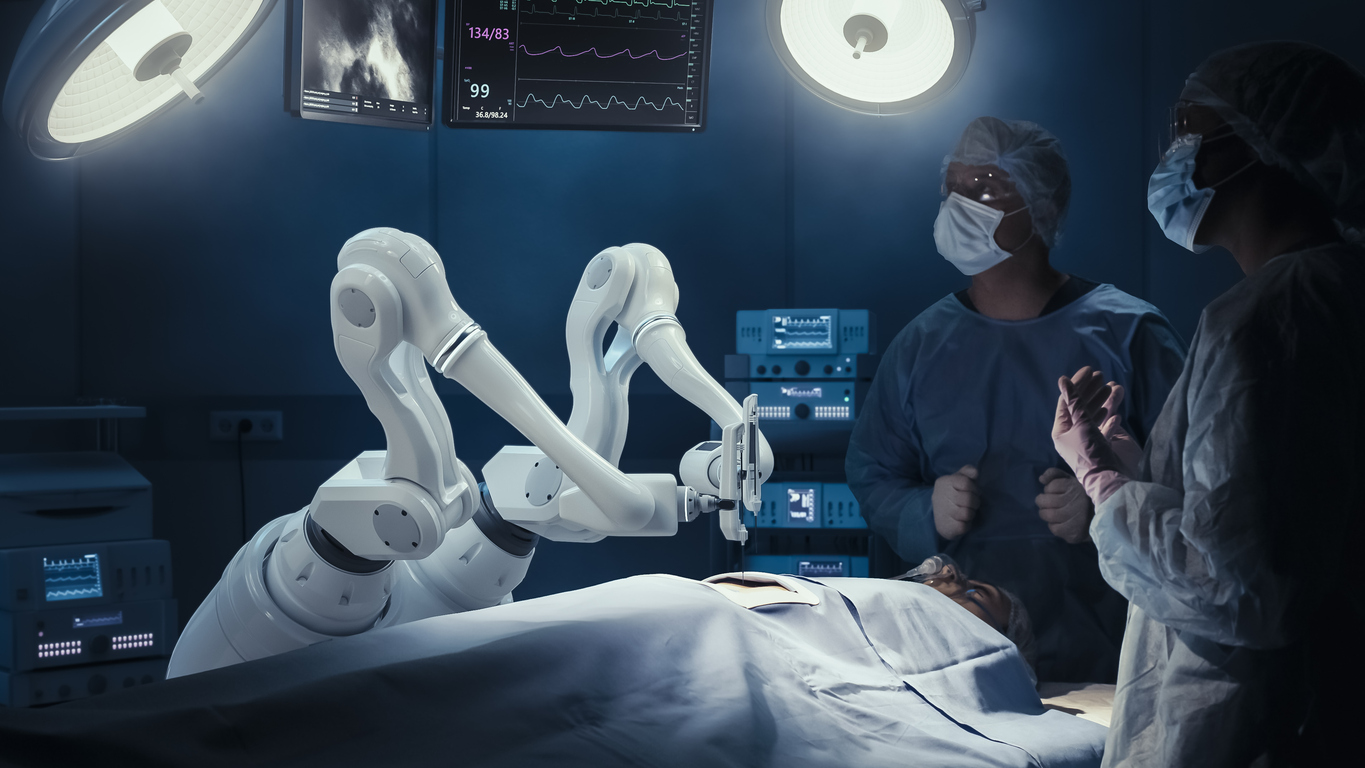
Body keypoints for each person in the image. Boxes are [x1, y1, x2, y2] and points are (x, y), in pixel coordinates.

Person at [1051, 41, 1365, 766]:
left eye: (1189, 129)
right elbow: (1284, 509)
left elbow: (1239, 589)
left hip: (1255, 730)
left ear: (1256, 146)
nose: (1174, 153)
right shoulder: (1337, 291)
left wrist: (1105, 487)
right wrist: (1145, 471)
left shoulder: (1265, 316)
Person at [846, 117, 1187, 683]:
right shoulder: (921, 345)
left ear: (1040, 204)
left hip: (1112, 654)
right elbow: (872, 473)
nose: (960, 203)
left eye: (984, 187)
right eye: (952, 186)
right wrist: (923, 510)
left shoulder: (1129, 332)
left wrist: (1110, 502)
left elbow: (1196, 483)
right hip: (959, 662)